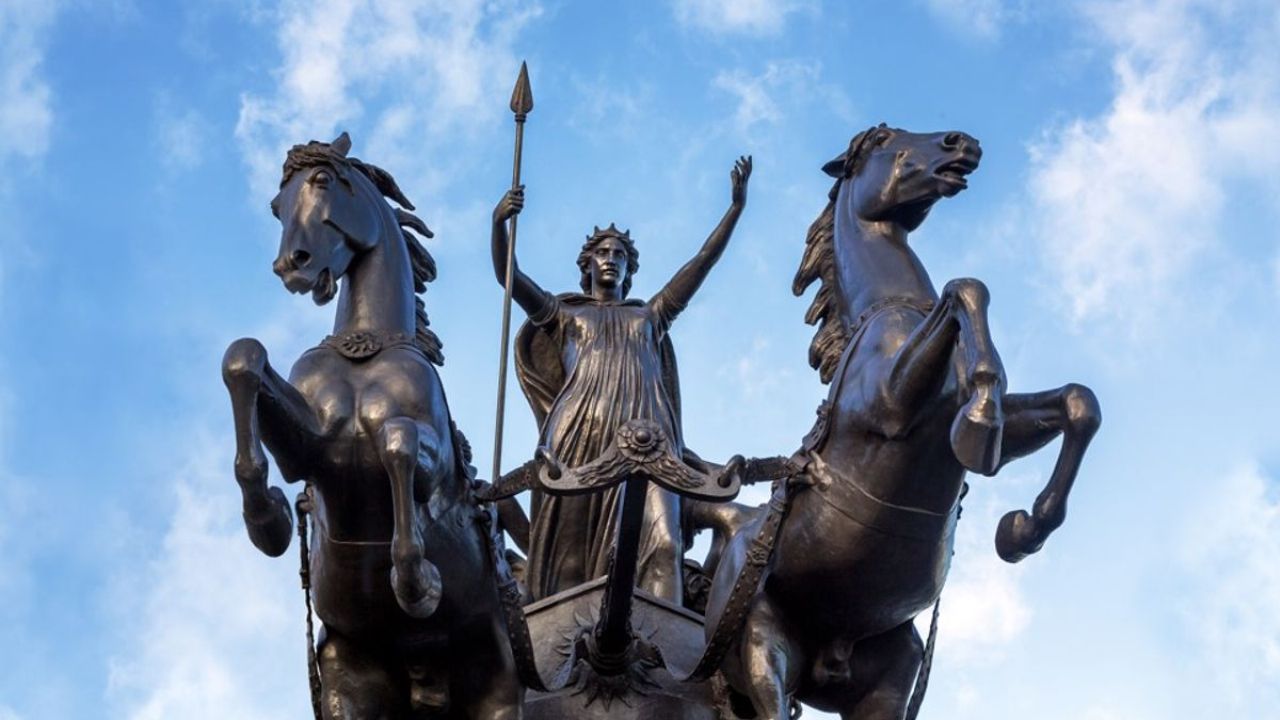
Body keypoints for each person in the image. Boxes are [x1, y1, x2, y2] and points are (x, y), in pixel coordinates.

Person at [491, 156, 751, 603]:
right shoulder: (565, 314)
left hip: (650, 442)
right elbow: (508, 277)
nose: (611, 260)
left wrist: (735, 209)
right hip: (579, 439)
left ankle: (662, 654)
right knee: (572, 564)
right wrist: (498, 224)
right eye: (602, 253)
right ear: (587, 264)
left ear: (630, 270)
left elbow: (702, 263)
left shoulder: (650, 315)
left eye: (620, 256)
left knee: (662, 544)